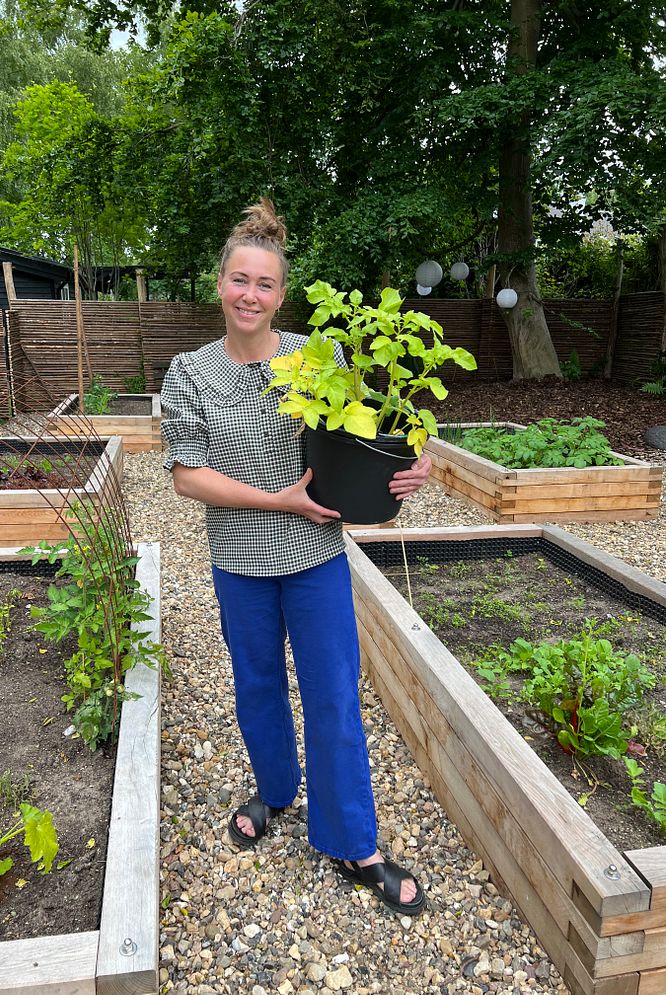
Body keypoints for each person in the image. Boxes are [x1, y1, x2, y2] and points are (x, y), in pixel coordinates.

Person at [161, 197, 432, 915]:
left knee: (335, 696)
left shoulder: (319, 358)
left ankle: (352, 840)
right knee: (256, 687)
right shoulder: (188, 373)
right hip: (239, 560)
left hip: (315, 558)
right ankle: (275, 790)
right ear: (219, 284)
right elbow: (188, 474)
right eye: (239, 279)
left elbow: (362, 439)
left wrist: (408, 466)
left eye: (266, 283)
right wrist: (276, 499)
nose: (251, 294)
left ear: (282, 293)